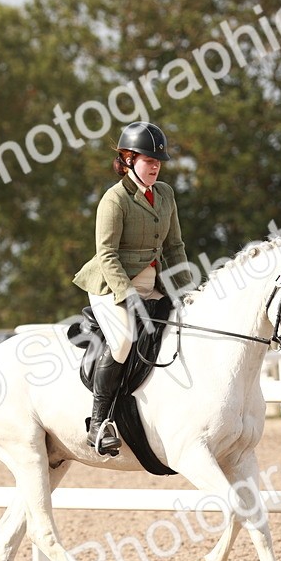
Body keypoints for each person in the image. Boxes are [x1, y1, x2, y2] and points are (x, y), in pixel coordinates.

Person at [72, 121, 194, 454]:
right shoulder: (115, 200)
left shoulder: (166, 194)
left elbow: (175, 247)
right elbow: (106, 254)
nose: (155, 165)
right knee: (124, 339)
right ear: (128, 160)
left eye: (158, 161)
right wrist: (128, 296)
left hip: (152, 285)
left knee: (187, 326)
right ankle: (98, 422)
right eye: (147, 159)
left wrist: (187, 291)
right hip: (110, 286)